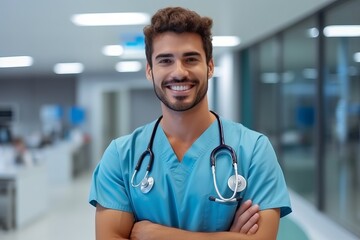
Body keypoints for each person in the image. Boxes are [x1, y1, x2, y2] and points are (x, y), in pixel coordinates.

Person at [89, 6, 292, 240]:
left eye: (191, 59)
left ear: (210, 67)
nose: (179, 72)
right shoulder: (121, 155)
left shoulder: (254, 150)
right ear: (149, 71)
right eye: (165, 60)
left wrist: (158, 235)